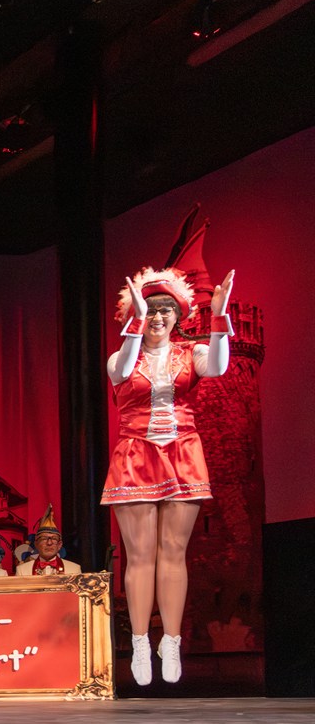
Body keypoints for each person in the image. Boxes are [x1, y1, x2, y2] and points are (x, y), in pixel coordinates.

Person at [102, 266, 235, 686]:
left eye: (165, 310)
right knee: (140, 555)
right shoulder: (120, 356)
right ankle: (141, 640)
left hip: (182, 452)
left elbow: (217, 367)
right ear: (136, 316)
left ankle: (171, 641)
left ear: (178, 316)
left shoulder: (191, 353)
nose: (158, 317)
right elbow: (122, 372)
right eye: (150, 310)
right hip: (135, 454)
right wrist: (136, 322)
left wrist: (219, 316)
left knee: (174, 552)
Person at [14, 506, 81, 576]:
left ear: (59, 545)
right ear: (36, 544)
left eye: (54, 539)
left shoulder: (74, 570)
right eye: (44, 538)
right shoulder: (22, 570)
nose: (49, 543)